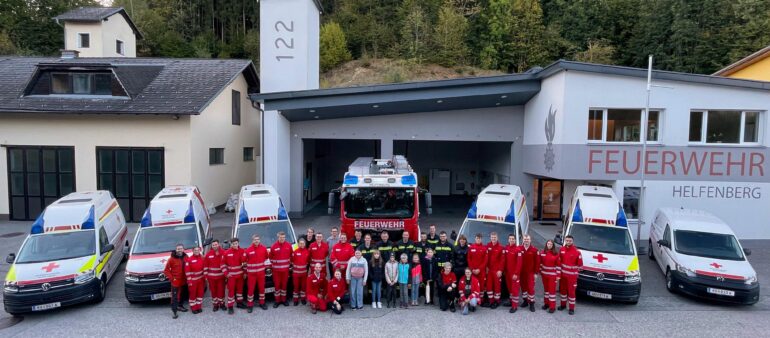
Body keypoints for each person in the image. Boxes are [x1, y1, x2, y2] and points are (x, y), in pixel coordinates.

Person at [559, 235, 583, 315]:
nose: (568, 242)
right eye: (567, 240)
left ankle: (571, 308)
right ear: (565, 241)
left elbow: (580, 266)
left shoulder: (577, 252)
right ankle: (563, 305)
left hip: (572, 277)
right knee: (563, 291)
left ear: (573, 241)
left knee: (571, 292)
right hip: (563, 275)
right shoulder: (562, 249)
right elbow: (559, 261)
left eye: (570, 241)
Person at [244, 234, 268, 312]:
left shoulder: (264, 248)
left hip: (261, 273)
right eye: (255, 239)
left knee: (262, 289)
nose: (256, 241)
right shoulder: (248, 250)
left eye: (257, 239)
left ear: (260, 240)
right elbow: (244, 261)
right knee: (251, 290)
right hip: (251, 274)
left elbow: (266, 257)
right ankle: (250, 305)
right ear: (252, 240)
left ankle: (262, 303)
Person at [163, 243, 187, 319]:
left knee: (182, 295)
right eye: (178, 249)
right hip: (175, 281)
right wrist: (172, 278)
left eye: (181, 248)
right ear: (176, 250)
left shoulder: (186, 257)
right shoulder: (171, 259)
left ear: (183, 249)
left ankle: (180, 306)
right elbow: (166, 270)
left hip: (183, 280)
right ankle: (174, 311)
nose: (180, 250)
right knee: (175, 297)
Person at [270, 231, 293, 307]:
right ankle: (277, 301)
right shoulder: (273, 246)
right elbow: (270, 257)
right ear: (278, 237)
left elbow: (291, 256)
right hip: (276, 271)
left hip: (285, 271)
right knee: (277, 286)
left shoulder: (288, 246)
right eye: (280, 237)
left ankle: (283, 300)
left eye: (283, 237)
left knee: (284, 286)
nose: (282, 239)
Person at [223, 238, 246, 314]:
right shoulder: (227, 253)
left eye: (236, 243)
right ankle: (230, 306)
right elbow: (222, 265)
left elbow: (245, 263)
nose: (235, 245)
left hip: (240, 275)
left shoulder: (242, 251)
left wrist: (245, 272)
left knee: (240, 291)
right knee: (231, 292)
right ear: (231, 244)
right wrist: (226, 274)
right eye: (233, 244)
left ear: (238, 243)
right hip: (231, 276)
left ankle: (239, 303)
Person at [203, 239, 226, 312]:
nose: (215, 246)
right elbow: (205, 266)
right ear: (211, 246)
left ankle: (222, 304)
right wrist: (206, 277)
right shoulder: (208, 254)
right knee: (213, 291)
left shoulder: (223, 253)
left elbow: (226, 264)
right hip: (211, 278)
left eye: (216, 244)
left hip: (221, 277)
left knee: (221, 291)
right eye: (213, 245)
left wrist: (226, 275)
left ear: (218, 244)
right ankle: (215, 305)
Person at [519, 234, 540, 312]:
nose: (526, 241)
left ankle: (531, 303)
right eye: (525, 239)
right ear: (523, 240)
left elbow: (537, 263)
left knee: (530, 288)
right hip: (522, 273)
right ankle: (525, 301)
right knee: (523, 288)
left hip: (530, 273)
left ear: (530, 240)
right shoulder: (519, 248)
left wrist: (536, 273)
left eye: (527, 239)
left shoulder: (535, 250)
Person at [539, 239, 561, 313]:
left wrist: (558, 276)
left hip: (552, 275)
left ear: (553, 246)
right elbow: (539, 263)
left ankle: (552, 307)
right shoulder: (542, 253)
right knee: (546, 291)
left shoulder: (556, 254)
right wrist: (540, 271)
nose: (549, 245)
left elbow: (558, 266)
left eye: (551, 244)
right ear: (546, 245)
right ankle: (546, 304)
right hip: (544, 275)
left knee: (552, 292)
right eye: (548, 244)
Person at [467, 233, 488, 306]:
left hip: (481, 271)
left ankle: (481, 301)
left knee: (481, 286)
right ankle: (474, 299)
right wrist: (472, 269)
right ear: (475, 239)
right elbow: (469, 259)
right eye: (477, 238)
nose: (478, 239)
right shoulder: (471, 247)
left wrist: (479, 269)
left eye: (479, 238)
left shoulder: (484, 248)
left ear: (481, 239)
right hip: (473, 271)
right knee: (473, 285)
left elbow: (485, 261)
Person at [504, 233, 522, 313]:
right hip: (507, 273)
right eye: (510, 239)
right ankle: (511, 302)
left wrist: (516, 273)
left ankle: (514, 306)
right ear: (508, 240)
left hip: (514, 274)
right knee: (510, 289)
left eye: (513, 239)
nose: (511, 240)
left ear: (515, 240)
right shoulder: (506, 248)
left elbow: (519, 263)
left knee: (515, 290)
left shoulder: (518, 250)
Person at [486, 232, 504, 309]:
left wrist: (500, 270)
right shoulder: (488, 246)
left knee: (497, 287)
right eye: (492, 237)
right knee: (489, 286)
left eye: (495, 237)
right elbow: (486, 257)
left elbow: (502, 260)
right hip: (489, 270)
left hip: (497, 271)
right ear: (490, 238)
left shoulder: (501, 247)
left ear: (497, 238)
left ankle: (497, 301)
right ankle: (491, 301)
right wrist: (486, 267)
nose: (493, 239)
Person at [184, 246, 205, 314]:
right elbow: (187, 272)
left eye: (198, 250)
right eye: (195, 250)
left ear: (199, 250)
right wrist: (189, 281)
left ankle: (199, 307)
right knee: (193, 295)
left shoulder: (202, 258)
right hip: (193, 281)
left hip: (201, 280)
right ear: (192, 251)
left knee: (200, 294)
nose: (196, 251)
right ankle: (193, 308)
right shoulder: (189, 260)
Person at [291, 238, 310, 305]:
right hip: (296, 273)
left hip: (304, 273)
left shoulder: (307, 252)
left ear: (305, 244)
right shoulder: (295, 252)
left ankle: (303, 299)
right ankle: (295, 300)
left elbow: (308, 261)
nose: (302, 244)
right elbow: (292, 261)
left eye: (303, 243)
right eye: (300, 243)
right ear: (298, 244)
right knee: (296, 286)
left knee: (303, 286)